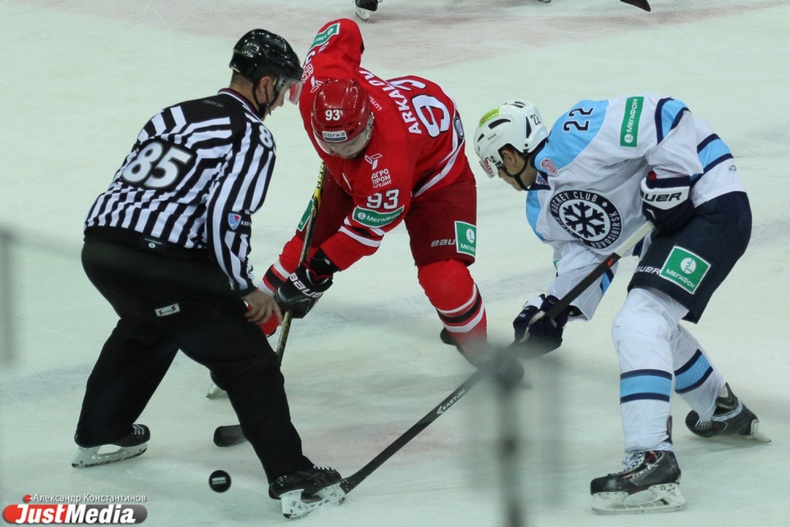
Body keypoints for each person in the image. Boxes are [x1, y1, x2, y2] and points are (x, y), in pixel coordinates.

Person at [73, 29, 341, 510]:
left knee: (147, 325)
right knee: (247, 359)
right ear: (264, 83)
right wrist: (242, 288)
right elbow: (226, 216)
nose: (284, 100)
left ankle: (102, 431)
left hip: (101, 250)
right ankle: (293, 478)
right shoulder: (251, 133)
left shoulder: (173, 114)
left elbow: (129, 187)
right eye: (284, 88)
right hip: (162, 261)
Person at [473, 96, 769, 513]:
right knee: (651, 324)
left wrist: (670, 180)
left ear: (509, 155)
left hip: (710, 198)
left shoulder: (575, 133)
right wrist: (550, 310)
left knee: (638, 323)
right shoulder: (540, 208)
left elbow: (665, 114)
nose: (501, 176)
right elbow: (587, 255)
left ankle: (652, 460)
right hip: (672, 230)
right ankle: (720, 408)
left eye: (497, 167)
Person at [260, 18, 521, 383]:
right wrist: (307, 270)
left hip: (436, 173)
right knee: (298, 253)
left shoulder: (389, 164)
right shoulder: (316, 83)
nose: (343, 152)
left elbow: (362, 234)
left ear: (368, 121)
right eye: (332, 145)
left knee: (443, 276)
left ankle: (476, 344)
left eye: (351, 143)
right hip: (366, 168)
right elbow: (343, 29)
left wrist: (317, 273)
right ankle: (246, 341)